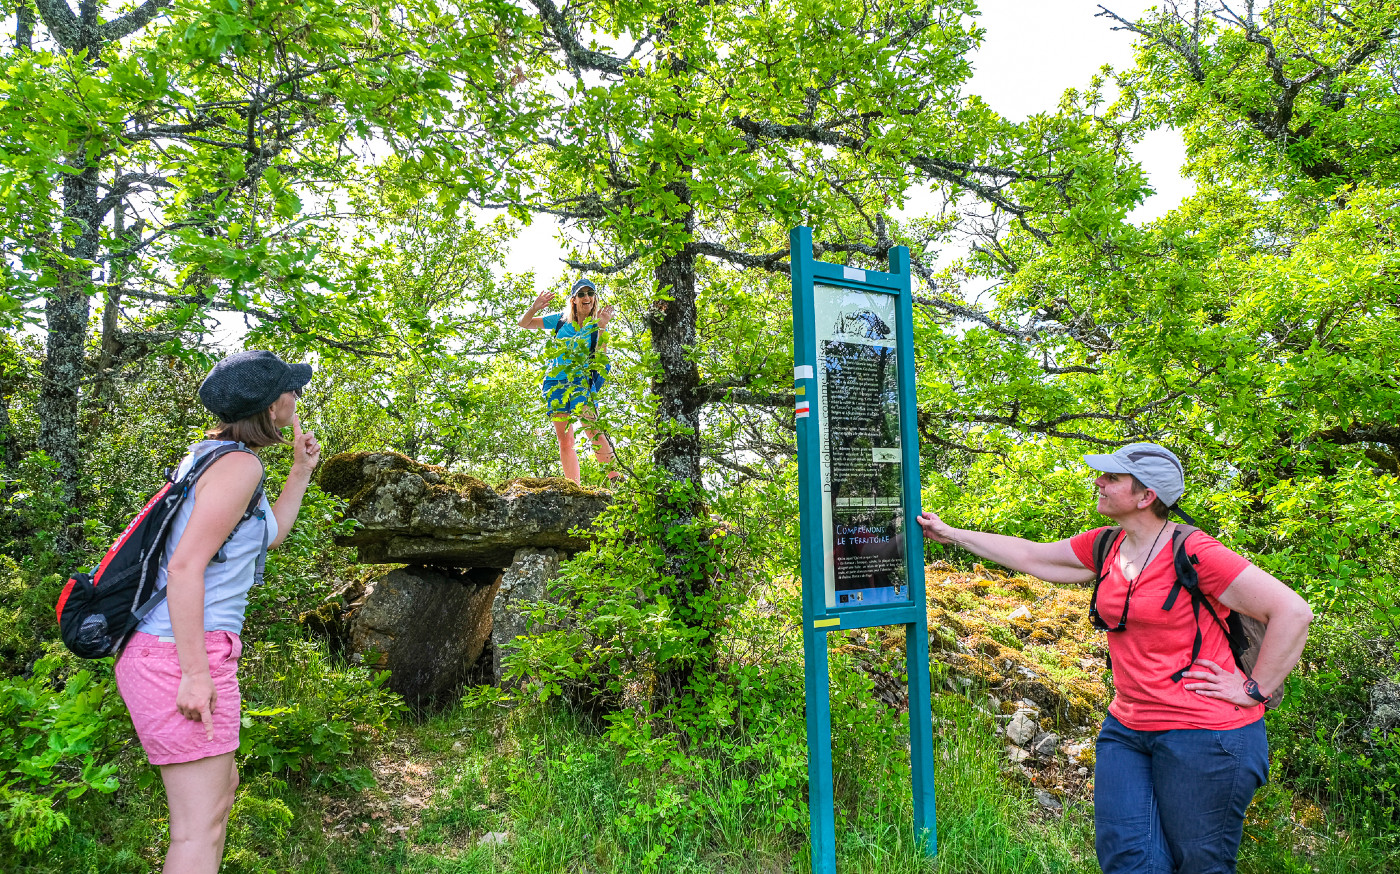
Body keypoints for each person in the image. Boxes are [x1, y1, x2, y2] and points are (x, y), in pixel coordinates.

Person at [917, 442, 1313, 874]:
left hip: (1206, 736)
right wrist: (952, 534)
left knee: (1200, 863)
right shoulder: (1107, 546)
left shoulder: (1196, 552)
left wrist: (1254, 689)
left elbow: (1292, 612)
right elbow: (1031, 554)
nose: (1099, 483)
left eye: (1112, 478)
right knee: (1129, 860)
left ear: (1146, 497)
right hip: (1127, 730)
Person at [114, 350, 321, 874]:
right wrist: (195, 675)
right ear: (270, 404)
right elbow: (185, 569)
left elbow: (263, 541)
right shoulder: (239, 465)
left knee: (217, 797)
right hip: (177, 653)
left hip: (180, 648)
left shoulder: (217, 457)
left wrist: (299, 472)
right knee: (197, 831)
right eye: (290, 391)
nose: (296, 398)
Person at [519, 276, 619, 483]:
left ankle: (616, 479)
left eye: (590, 293)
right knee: (565, 439)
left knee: (592, 429)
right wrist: (535, 307)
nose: (586, 297)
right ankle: (574, 487)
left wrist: (602, 327)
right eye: (581, 294)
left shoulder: (598, 324)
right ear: (573, 299)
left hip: (581, 383)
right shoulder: (560, 320)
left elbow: (601, 359)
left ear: (594, 298)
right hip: (555, 382)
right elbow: (524, 323)